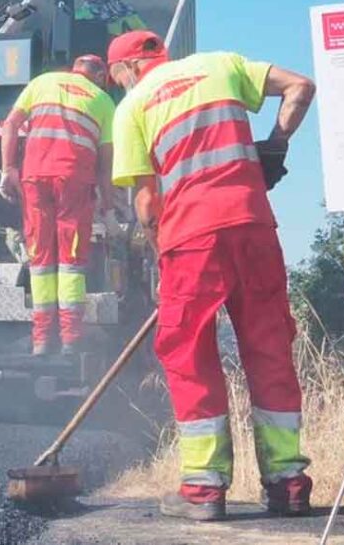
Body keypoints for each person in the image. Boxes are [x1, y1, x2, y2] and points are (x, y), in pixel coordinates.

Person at [107, 30, 316, 520]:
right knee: (268, 347)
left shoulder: (133, 104)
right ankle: (287, 483)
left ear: (128, 68)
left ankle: (203, 491)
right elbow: (301, 86)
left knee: (189, 353)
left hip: (191, 239)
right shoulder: (221, 64)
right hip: (253, 225)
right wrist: (276, 146)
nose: (119, 87)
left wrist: (161, 255)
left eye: (117, 79)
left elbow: (145, 202)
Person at [0, 55, 116, 355]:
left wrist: (7, 169)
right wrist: (109, 208)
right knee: (71, 262)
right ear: (101, 76)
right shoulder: (103, 101)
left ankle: (40, 340)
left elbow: (10, 125)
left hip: (35, 178)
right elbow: (105, 164)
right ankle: (70, 339)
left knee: (40, 260)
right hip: (75, 183)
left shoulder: (42, 83)